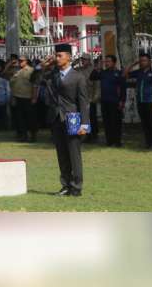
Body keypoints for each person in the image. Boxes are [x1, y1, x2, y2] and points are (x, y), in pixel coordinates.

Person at [42, 43, 90, 197]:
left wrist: (85, 124)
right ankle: (65, 185)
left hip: (73, 118)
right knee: (61, 154)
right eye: (56, 55)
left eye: (59, 55)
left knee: (74, 154)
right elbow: (36, 80)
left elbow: (83, 101)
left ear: (68, 57)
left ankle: (76, 186)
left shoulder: (78, 76)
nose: (57, 58)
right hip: (56, 118)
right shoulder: (53, 75)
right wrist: (43, 67)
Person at [123, 51, 152, 150]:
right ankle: (148, 143)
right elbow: (125, 74)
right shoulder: (138, 72)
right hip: (140, 101)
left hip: (150, 102)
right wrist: (134, 64)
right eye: (141, 61)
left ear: (149, 62)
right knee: (144, 124)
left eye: (144, 60)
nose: (142, 62)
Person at [96, 55, 125, 147]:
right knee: (106, 122)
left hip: (115, 101)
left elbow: (123, 88)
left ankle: (117, 141)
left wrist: (122, 100)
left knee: (116, 122)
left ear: (114, 62)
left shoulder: (118, 73)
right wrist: (98, 67)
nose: (106, 63)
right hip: (104, 101)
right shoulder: (103, 73)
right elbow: (92, 77)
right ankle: (109, 141)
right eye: (106, 61)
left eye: (108, 61)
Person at [9, 55, 37, 142]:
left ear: (26, 61)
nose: (20, 62)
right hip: (18, 97)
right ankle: (23, 135)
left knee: (30, 118)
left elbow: (35, 85)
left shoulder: (31, 70)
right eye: (19, 61)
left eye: (22, 61)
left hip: (28, 97)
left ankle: (33, 135)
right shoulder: (17, 71)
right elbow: (10, 81)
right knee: (20, 118)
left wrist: (34, 97)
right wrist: (10, 64)